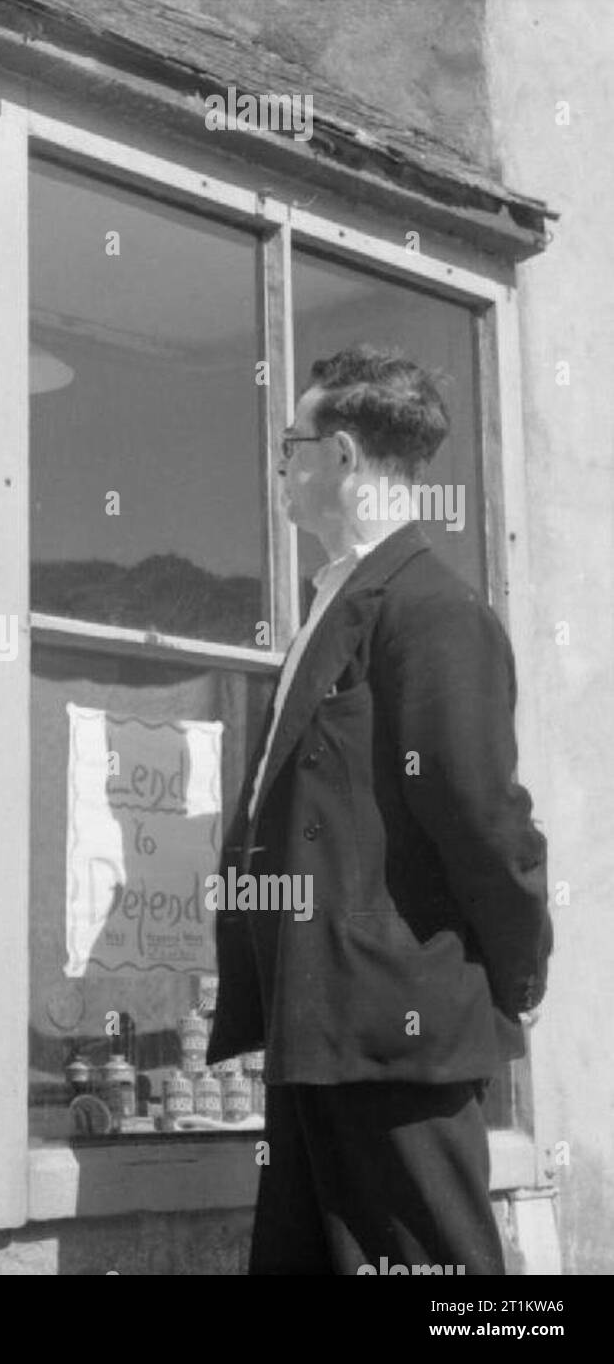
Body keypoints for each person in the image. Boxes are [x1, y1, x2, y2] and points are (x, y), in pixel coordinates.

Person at [207, 346, 553, 1275]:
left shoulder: (434, 609)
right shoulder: (330, 602)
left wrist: (517, 971)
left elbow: (483, 817)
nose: (281, 467)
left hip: (393, 1031)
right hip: (314, 1028)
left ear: (345, 456)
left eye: (292, 445)